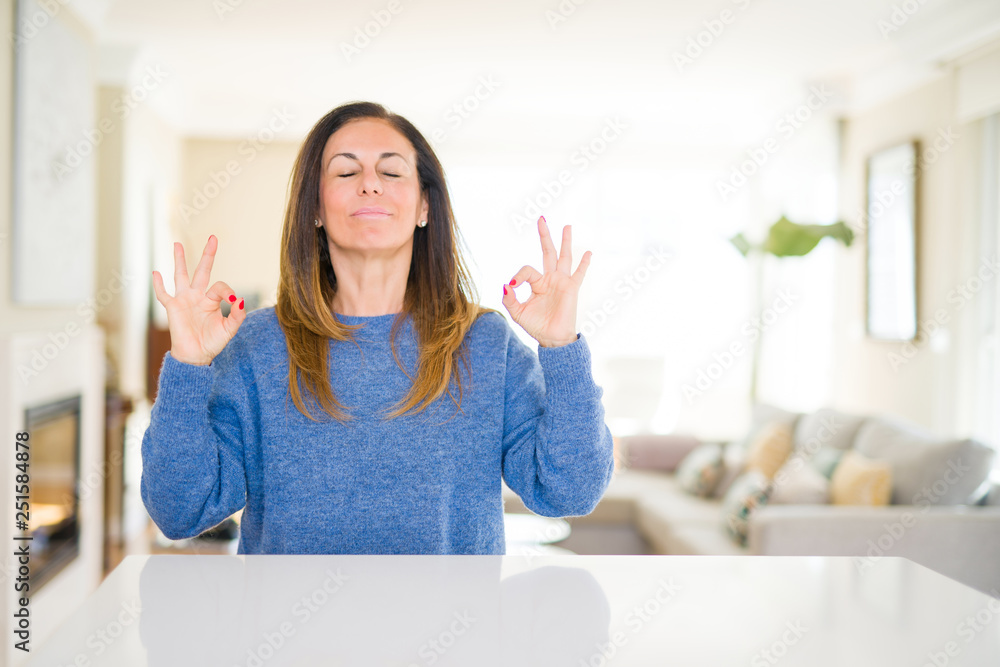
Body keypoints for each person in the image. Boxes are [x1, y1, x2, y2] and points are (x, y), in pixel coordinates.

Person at [140, 101, 614, 555]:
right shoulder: (256, 345)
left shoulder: (487, 344)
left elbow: (570, 492)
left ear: (425, 207)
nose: (370, 184)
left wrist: (561, 349)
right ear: (316, 210)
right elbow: (180, 511)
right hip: (289, 636)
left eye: (391, 171)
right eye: (346, 171)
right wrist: (188, 365)